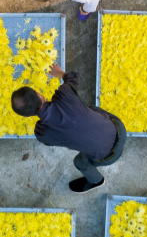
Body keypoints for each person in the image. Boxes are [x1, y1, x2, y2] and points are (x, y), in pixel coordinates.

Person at [11, 63, 126, 193]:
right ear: (39, 94)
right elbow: (72, 77)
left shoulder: (41, 133)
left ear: (27, 116)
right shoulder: (64, 95)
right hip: (118, 128)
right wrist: (59, 73)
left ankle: (96, 180)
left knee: (79, 162)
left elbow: (49, 141)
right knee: (87, 109)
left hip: (108, 156)